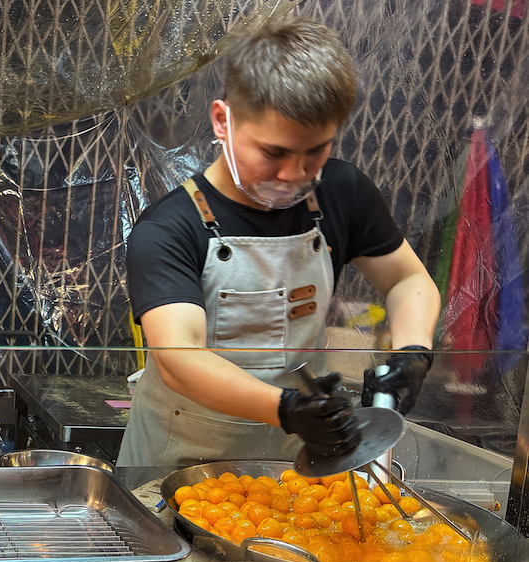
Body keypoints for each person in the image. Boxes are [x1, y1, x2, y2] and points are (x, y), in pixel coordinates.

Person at [117, 15, 439, 468]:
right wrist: (285, 408)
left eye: (315, 151)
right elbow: (180, 358)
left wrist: (412, 352)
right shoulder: (169, 227)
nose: (294, 174)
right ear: (221, 120)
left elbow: (407, 279)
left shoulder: (342, 193)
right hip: (180, 461)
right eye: (273, 152)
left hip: (297, 465)